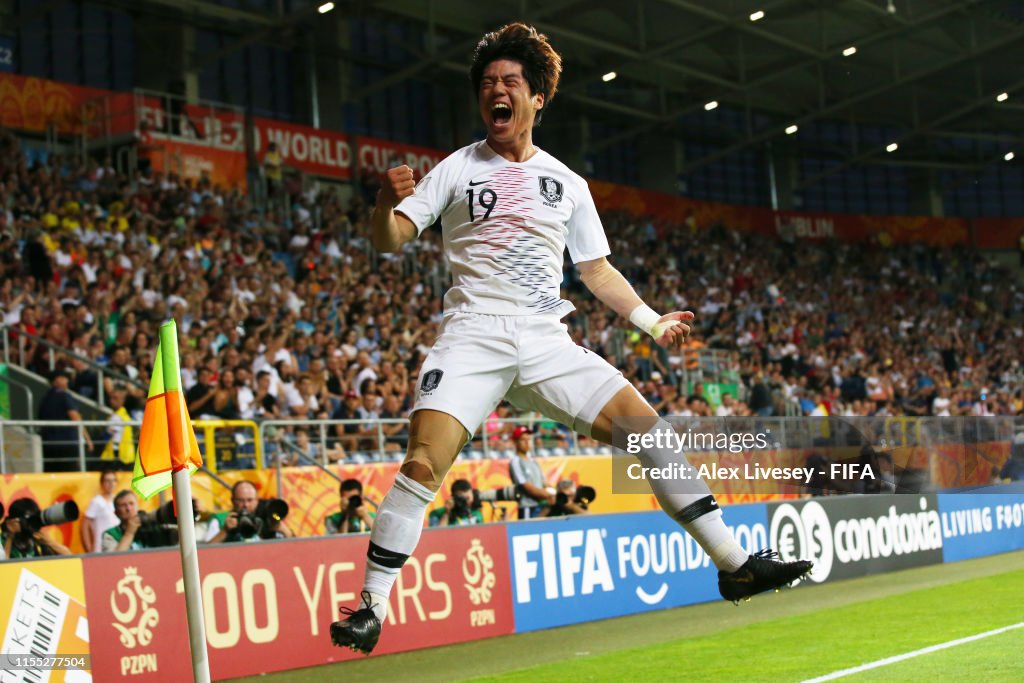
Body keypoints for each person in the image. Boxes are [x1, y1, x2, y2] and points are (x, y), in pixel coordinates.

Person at [330, 23, 812, 655]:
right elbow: (388, 240)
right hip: (473, 336)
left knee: (651, 433)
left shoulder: (568, 184)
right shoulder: (455, 168)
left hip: (545, 339)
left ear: (536, 99)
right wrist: (381, 206)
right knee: (423, 465)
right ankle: (371, 607)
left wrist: (651, 320)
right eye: (487, 83)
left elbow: (595, 270)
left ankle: (733, 563)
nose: (495, 91)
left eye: (509, 82)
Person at [38, 369, 93, 472]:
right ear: (55, 381)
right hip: (67, 444)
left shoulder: (44, 398)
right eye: (63, 378)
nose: (66, 381)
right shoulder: (64, 396)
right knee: (69, 474)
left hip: (48, 445)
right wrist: (87, 439)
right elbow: (75, 418)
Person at [208, 481, 293, 543]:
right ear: (233, 501)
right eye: (240, 500)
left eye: (250, 500)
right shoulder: (220, 520)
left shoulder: (266, 518)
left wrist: (282, 528)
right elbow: (205, 552)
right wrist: (225, 531)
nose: (245, 505)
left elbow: (296, 547)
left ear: (256, 501)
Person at [2, 499, 73, 558]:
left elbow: (70, 558)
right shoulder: (2, 541)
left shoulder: (36, 538)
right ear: (14, 521)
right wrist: (10, 537)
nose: (32, 524)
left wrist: (48, 542)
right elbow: (3, 569)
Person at [508, 426, 552, 519]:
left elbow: (544, 483)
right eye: (523, 440)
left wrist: (551, 492)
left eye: (529, 439)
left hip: (541, 505)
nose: (527, 442)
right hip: (527, 507)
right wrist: (549, 495)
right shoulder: (516, 462)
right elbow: (528, 488)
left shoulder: (533, 461)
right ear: (515, 442)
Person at [100, 490, 167, 552]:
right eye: (123, 505)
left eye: (131, 504)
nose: (128, 509)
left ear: (138, 507)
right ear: (116, 513)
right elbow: (113, 560)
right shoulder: (111, 534)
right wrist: (129, 533)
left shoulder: (149, 526)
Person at [81, 467, 119, 553]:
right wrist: (89, 549)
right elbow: (85, 526)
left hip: (118, 546)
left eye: (113, 480)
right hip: (101, 548)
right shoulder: (97, 501)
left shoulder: (119, 500)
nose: (111, 484)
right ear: (102, 483)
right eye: (107, 481)